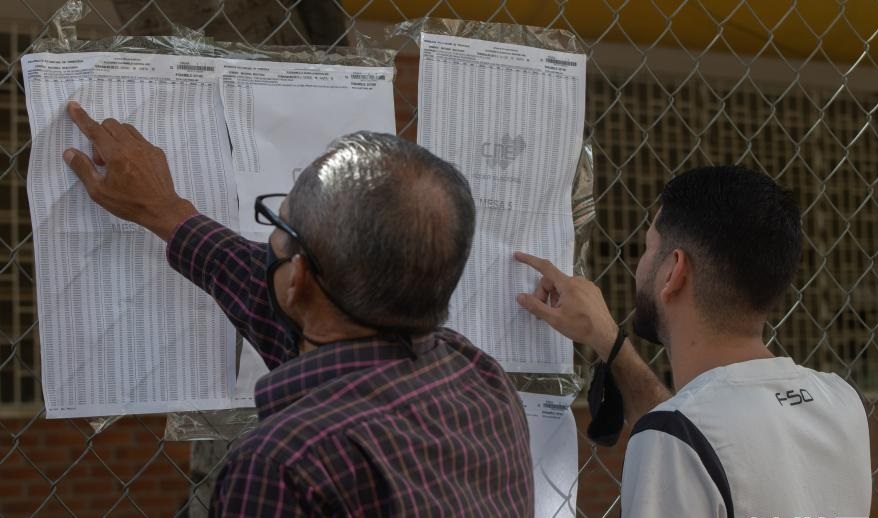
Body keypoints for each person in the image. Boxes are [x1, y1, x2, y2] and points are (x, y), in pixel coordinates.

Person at [62, 101, 534, 517]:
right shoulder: (480, 380)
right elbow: (274, 298)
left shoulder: (281, 464)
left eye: (277, 225)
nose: (266, 245)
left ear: (299, 278)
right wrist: (168, 214)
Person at [515, 166, 871, 517]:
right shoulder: (842, 401)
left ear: (674, 271)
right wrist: (608, 340)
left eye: (648, 248)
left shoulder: (678, 436)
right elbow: (705, 436)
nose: (640, 264)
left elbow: (693, 434)